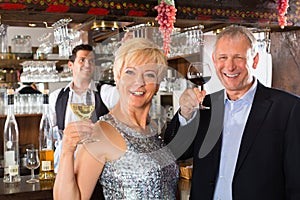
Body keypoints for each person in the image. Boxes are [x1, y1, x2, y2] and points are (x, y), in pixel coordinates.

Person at [164, 26, 300, 200]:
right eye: (223, 57)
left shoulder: (289, 109)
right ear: (214, 60)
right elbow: (175, 152)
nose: (230, 66)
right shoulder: (205, 106)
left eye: (238, 57)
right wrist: (184, 114)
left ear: (255, 60)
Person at [53, 38, 179, 200]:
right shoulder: (102, 132)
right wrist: (67, 151)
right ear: (118, 78)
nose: (138, 82)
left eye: (149, 74)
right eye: (130, 72)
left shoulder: (152, 127)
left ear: (158, 83)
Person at [49, 44, 118, 173]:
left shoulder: (104, 92)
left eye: (91, 61)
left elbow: (125, 99)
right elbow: (50, 134)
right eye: (82, 60)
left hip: (97, 167)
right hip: (64, 166)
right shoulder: (56, 97)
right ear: (71, 65)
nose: (87, 64)